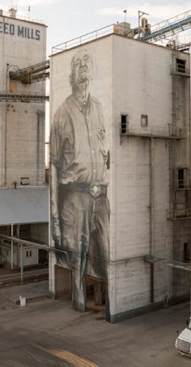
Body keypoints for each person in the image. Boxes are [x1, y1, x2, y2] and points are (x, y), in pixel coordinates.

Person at [50, 49, 110, 312]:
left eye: (87, 63)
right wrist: (54, 215)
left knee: (107, 255)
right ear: (71, 76)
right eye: (77, 64)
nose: (83, 67)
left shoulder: (98, 107)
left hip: (101, 196)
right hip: (75, 196)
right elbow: (52, 164)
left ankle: (109, 304)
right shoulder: (62, 113)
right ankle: (79, 308)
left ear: (92, 72)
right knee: (79, 259)